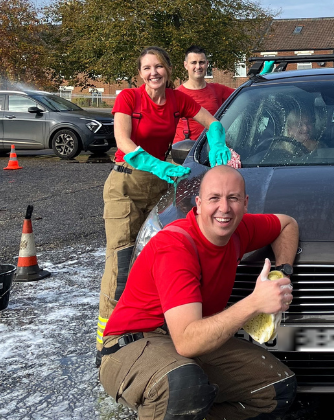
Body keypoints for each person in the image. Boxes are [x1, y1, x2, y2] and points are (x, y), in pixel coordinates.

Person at [98, 165, 299, 420]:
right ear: (199, 203)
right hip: (134, 342)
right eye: (214, 198)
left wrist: (281, 273)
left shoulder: (239, 230)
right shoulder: (176, 246)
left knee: (276, 388)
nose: (224, 208)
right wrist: (255, 302)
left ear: (245, 203)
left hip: (189, 336)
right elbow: (187, 341)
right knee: (181, 385)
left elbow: (287, 224)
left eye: (233, 198)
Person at [97, 46, 231, 352]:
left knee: (156, 260)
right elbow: (123, 141)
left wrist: (218, 141)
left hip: (161, 184)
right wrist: (156, 163)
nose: (153, 73)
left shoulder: (176, 100)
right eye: (146, 68)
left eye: (158, 67)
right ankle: (107, 343)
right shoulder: (128, 98)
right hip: (126, 183)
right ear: (140, 73)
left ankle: (149, 332)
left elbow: (213, 122)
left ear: (168, 70)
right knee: (121, 263)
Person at [173, 45, 235, 144]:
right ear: (186, 65)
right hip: (184, 154)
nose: (198, 66)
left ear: (207, 64)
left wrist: (260, 77)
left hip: (213, 149)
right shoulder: (175, 95)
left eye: (201, 62)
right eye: (193, 62)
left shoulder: (218, 89)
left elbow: (245, 95)